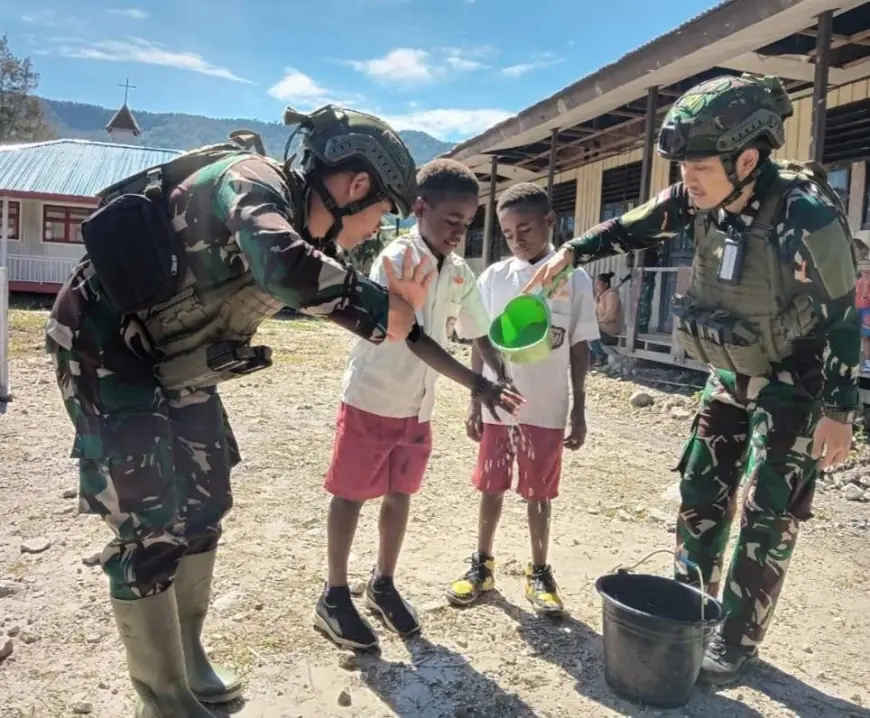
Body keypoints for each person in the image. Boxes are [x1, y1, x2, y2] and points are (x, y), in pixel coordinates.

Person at [43, 105, 512, 718]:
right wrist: (385, 308)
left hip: (174, 363)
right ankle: (161, 699)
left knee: (207, 499)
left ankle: (187, 659)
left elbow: (312, 280)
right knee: (149, 520)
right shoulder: (254, 180)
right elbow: (282, 265)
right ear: (354, 186)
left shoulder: (307, 230)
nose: (376, 228)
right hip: (104, 351)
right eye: (379, 211)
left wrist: (391, 314)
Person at [523, 73, 860, 684]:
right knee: (700, 496)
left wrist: (840, 411)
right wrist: (570, 253)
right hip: (729, 370)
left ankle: (735, 640)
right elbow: (632, 225)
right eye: (683, 168)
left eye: (698, 167)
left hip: (798, 383)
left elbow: (842, 316)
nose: (686, 180)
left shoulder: (805, 214)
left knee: (769, 515)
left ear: (748, 159)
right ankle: (690, 616)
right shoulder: (693, 199)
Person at [314, 158, 523, 651]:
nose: (459, 232)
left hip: (417, 408)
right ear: (420, 208)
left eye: (468, 223)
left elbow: (477, 328)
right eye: (451, 220)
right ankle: (334, 594)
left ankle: (382, 582)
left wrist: (500, 369)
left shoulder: (455, 271)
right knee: (349, 494)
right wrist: (479, 385)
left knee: (399, 493)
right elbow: (415, 338)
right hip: (374, 398)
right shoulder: (396, 261)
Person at [445, 183, 598, 615]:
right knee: (490, 486)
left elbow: (580, 346)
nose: (517, 239)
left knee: (538, 493)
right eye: (509, 233)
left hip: (547, 408)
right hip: (498, 405)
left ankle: (539, 571)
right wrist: (475, 401)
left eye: (525, 229)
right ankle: (482, 564)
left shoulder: (574, 278)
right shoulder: (495, 278)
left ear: (551, 222)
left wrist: (580, 410)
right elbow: (478, 340)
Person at [589, 271, 622, 366]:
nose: (596, 287)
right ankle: (594, 356)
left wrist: (596, 323)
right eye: (596, 284)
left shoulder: (612, 296)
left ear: (606, 284)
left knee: (589, 329)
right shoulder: (600, 297)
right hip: (602, 329)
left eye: (598, 284)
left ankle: (601, 356)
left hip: (611, 332)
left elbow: (611, 316)